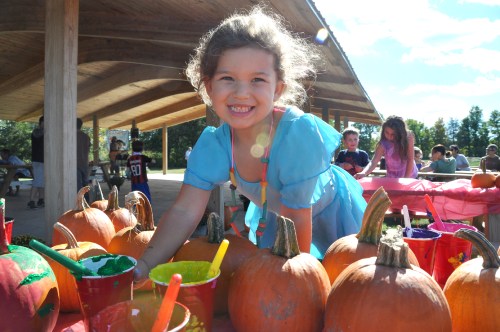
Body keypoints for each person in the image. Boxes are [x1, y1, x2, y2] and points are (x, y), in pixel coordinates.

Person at [133, 7, 367, 282]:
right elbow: (185, 211)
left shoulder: (297, 135)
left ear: (277, 88)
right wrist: (144, 266)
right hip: (280, 217)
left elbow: (295, 229)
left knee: (346, 289)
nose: (241, 93)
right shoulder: (215, 145)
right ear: (209, 86)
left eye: (257, 79)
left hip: (331, 217)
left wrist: (295, 290)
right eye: (227, 78)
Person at [28, 116, 44, 209]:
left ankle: (41, 200)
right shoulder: (36, 132)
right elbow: (39, 135)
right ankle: (31, 201)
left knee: (41, 181)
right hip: (38, 160)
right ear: (41, 122)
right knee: (38, 181)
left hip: (43, 160)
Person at [76, 118, 91, 191]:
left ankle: (79, 201)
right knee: (85, 185)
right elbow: (88, 149)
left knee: (78, 187)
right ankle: (87, 201)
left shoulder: (72, 136)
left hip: (75, 164)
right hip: (85, 163)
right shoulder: (86, 137)